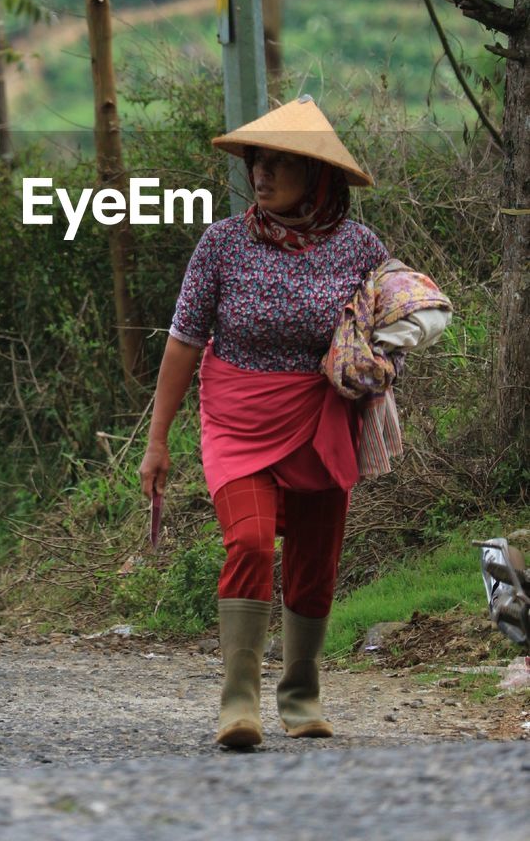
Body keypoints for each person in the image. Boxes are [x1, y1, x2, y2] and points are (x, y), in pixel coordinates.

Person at [139, 94, 390, 748]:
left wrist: (379, 356)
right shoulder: (220, 244)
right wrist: (158, 439)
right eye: (257, 160)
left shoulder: (360, 248)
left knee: (314, 561)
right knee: (248, 544)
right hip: (237, 419)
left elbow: (390, 326)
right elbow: (183, 340)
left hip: (320, 418)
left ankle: (300, 694)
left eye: (279, 162)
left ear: (318, 177)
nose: (261, 173)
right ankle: (238, 704)